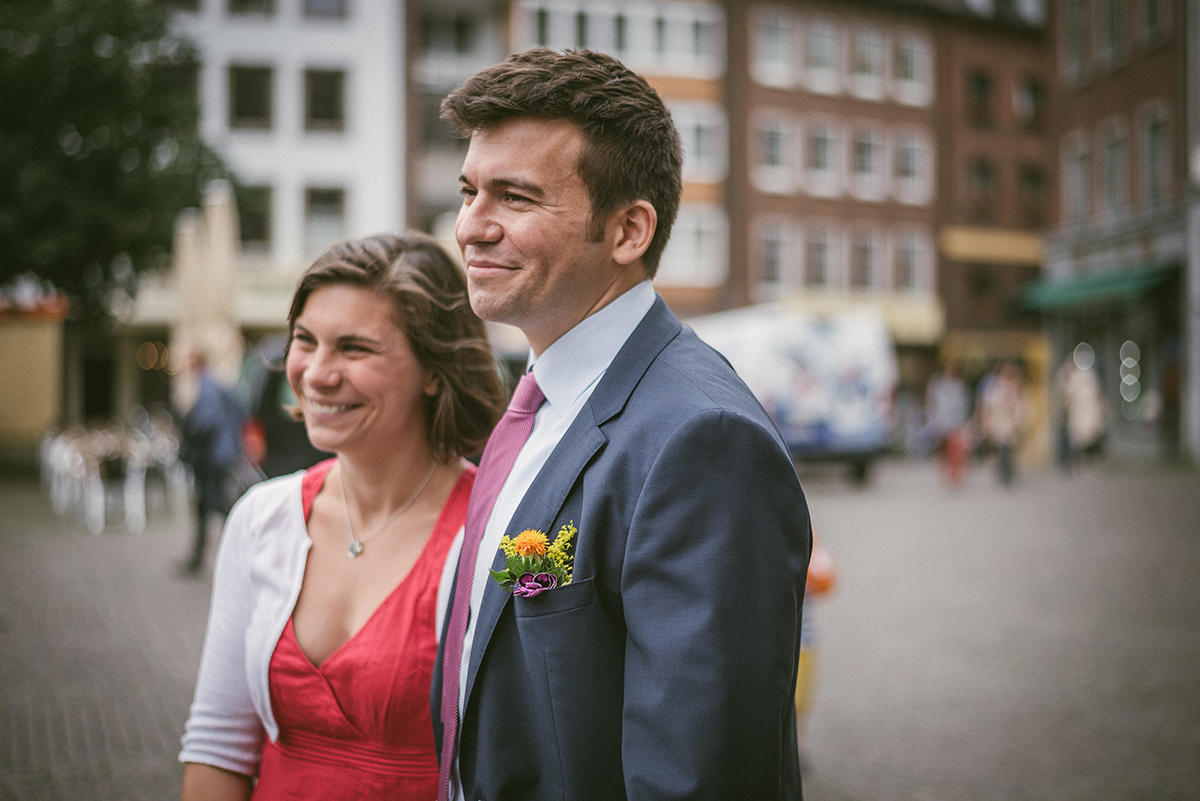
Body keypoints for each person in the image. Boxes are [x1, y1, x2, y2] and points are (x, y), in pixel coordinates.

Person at [433, 48, 812, 801]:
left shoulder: (702, 440)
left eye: (515, 197)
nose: (471, 227)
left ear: (629, 229)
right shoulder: (536, 403)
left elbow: (699, 775)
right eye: (470, 191)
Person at [179, 233, 508, 800]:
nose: (316, 373)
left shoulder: (496, 532)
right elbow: (217, 744)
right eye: (305, 340)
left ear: (435, 369)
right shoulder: (261, 518)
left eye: (354, 348)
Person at [178, 350, 245, 574]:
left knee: (215, 503)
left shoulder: (207, 385)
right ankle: (198, 558)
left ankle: (239, 548)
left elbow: (207, 420)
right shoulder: (216, 383)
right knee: (206, 505)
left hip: (211, 457)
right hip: (220, 454)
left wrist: (190, 433)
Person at [978, 362, 1029, 486]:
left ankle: (1008, 474)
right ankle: (1003, 475)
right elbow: (988, 406)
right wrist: (986, 423)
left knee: (1009, 449)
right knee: (1002, 449)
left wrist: (1021, 421)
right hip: (999, 423)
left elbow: (1022, 406)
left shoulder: (1018, 386)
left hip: (1011, 424)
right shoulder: (994, 386)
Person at [923, 360, 971, 486]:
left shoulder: (960, 384)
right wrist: (932, 418)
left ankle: (954, 475)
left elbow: (964, 405)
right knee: (942, 450)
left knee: (954, 450)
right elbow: (931, 401)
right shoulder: (938, 382)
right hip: (941, 422)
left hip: (956, 423)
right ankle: (945, 473)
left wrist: (963, 422)